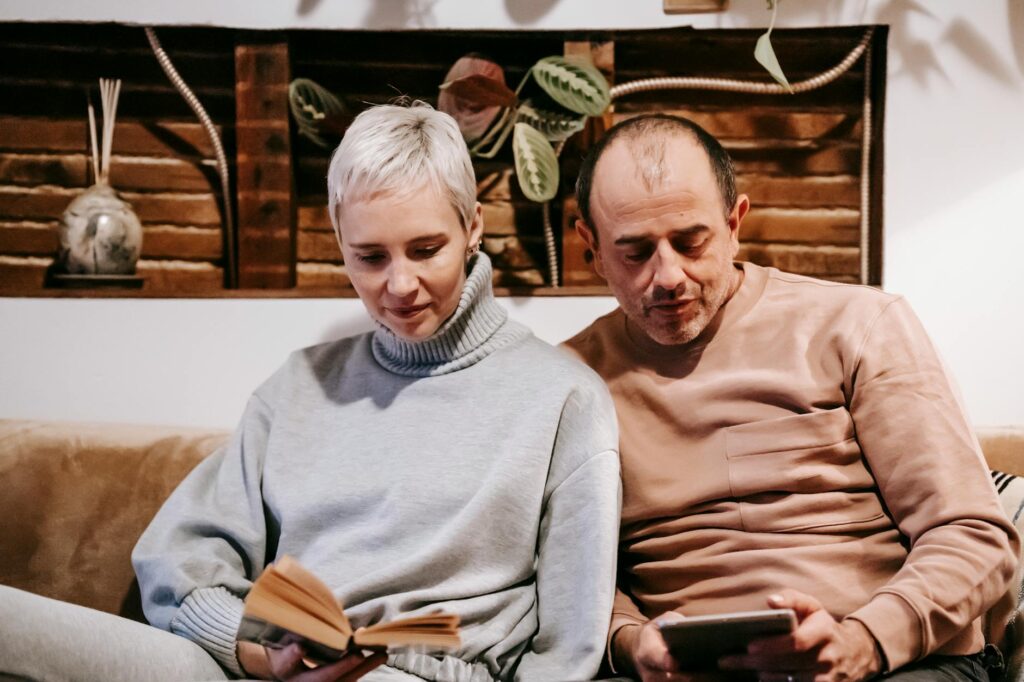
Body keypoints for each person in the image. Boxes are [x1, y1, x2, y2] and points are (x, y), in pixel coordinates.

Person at [0, 103, 621, 682]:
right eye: (370, 257)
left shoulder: (563, 398)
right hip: (250, 669)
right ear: (340, 244)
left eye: (426, 250)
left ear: (472, 227)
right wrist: (255, 656)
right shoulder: (297, 386)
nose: (399, 285)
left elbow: (568, 647)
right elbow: (178, 560)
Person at [563, 113, 1019, 682]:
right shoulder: (570, 381)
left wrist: (863, 643)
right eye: (635, 252)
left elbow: (972, 535)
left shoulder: (858, 324)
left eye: (691, 241)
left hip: (896, 664)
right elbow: (566, 576)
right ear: (592, 246)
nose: (668, 275)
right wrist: (630, 644)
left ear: (734, 223)